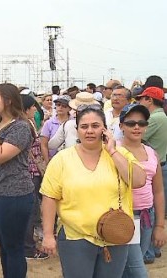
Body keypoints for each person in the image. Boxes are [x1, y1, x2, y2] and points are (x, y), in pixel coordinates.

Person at [40, 105, 147, 278]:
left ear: (104, 130)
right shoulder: (62, 159)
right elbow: (49, 197)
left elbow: (138, 180)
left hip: (115, 234)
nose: (90, 131)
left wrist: (112, 151)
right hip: (76, 237)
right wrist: (47, 235)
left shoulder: (120, 154)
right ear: (77, 130)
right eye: (84, 126)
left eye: (95, 126)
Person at [0, 83, 35, 277]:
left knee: (13, 247)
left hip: (13, 195)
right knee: (4, 244)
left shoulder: (20, 127)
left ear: (8, 101)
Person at [118, 104, 166, 277]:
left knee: (127, 267)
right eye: (131, 123)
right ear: (121, 125)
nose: (137, 127)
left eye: (142, 123)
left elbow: (158, 191)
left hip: (147, 216)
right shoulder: (113, 151)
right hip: (124, 216)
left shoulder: (152, 153)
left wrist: (159, 225)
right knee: (137, 270)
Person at [135, 85, 167, 262]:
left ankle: (149, 251)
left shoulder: (155, 118)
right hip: (158, 163)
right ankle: (150, 250)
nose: (137, 127)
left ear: (149, 100)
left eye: (142, 98)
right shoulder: (161, 116)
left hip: (153, 167)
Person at [20, 95, 49, 260]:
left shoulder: (26, 123)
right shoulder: (24, 125)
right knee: (30, 211)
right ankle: (28, 248)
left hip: (32, 172)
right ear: (26, 108)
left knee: (32, 209)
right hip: (30, 172)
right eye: (32, 107)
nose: (35, 110)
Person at [40, 95, 71, 163]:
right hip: (53, 160)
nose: (60, 107)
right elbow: (44, 144)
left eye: (64, 106)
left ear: (69, 108)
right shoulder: (49, 123)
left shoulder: (74, 123)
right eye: (58, 105)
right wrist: (47, 161)